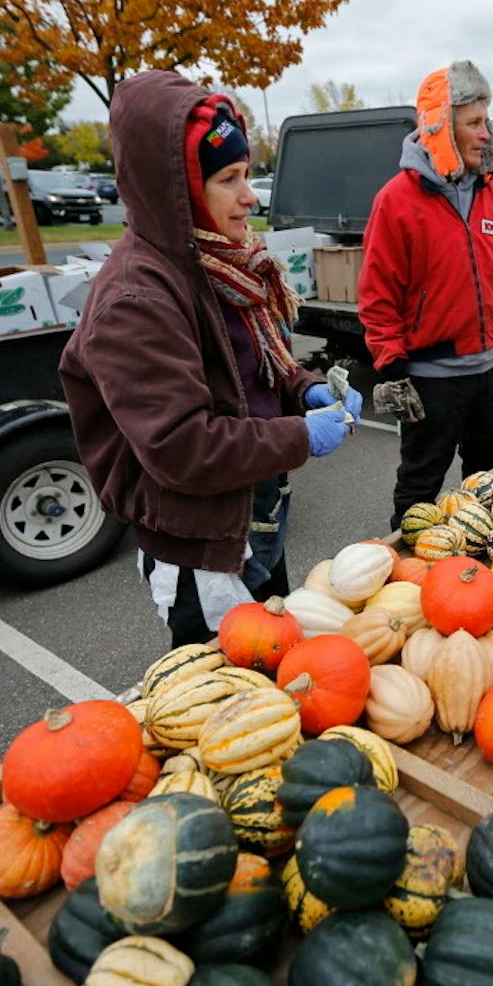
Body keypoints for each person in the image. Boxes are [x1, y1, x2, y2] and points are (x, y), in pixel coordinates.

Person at [60, 70, 361, 648]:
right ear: (178, 190)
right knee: (221, 701)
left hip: (252, 513)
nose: (251, 196)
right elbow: (182, 448)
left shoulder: (217, 261)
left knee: (274, 661)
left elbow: (250, 368)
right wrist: (300, 435)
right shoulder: (137, 298)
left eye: (248, 175)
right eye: (229, 179)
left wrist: (304, 389)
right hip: (203, 546)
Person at [358, 60, 493, 530]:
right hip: (431, 380)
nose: (485, 135)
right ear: (440, 126)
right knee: (420, 489)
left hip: (491, 371)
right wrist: (392, 370)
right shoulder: (397, 200)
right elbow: (377, 295)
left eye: (486, 122)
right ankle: (412, 574)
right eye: (473, 123)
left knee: (492, 478)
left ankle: (485, 567)